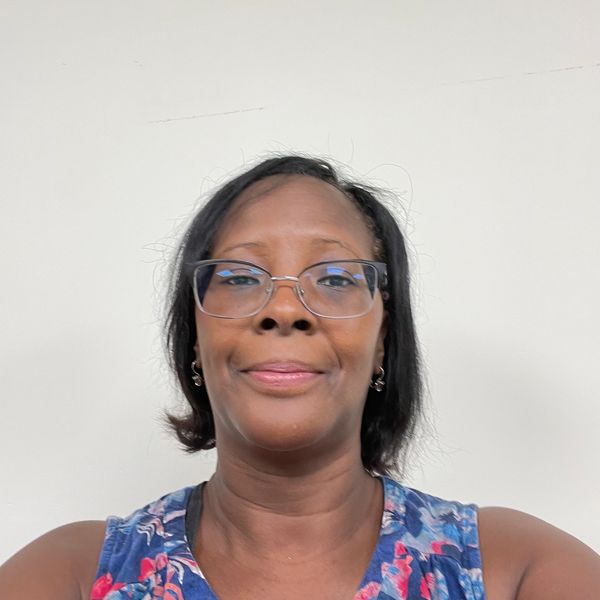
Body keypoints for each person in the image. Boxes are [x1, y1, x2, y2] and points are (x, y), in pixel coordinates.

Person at [1, 155, 599, 599]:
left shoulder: (514, 572)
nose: (284, 309)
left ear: (382, 341)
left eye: (335, 278)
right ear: (196, 339)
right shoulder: (71, 577)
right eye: (240, 277)